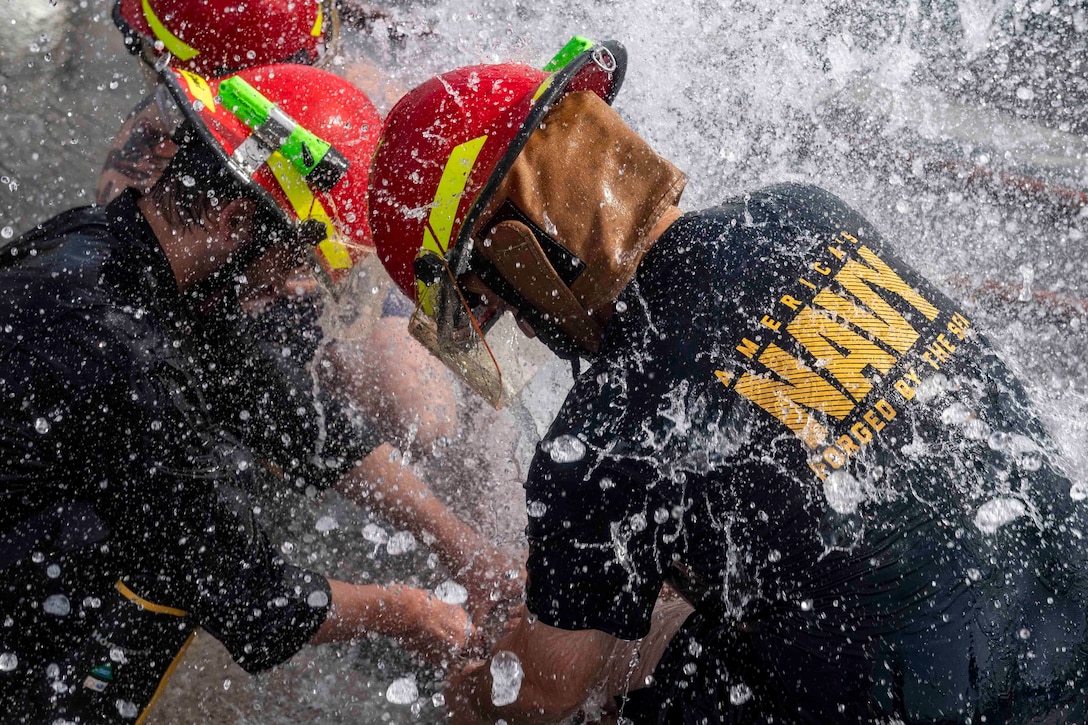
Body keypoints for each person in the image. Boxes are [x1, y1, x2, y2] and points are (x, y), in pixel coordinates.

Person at [365, 40, 1088, 723]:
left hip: (936, 703)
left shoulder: (604, 430)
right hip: (1070, 612)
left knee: (605, 670)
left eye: (495, 302)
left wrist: (472, 685)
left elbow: (542, 691)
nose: (521, 331)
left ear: (517, 246)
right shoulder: (804, 211)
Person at [0, 63, 471, 724]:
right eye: (292, 264)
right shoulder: (126, 355)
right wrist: (413, 612)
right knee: (171, 550)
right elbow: (257, 598)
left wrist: (461, 545)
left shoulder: (109, 242)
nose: (289, 290)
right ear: (233, 217)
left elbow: (294, 412)